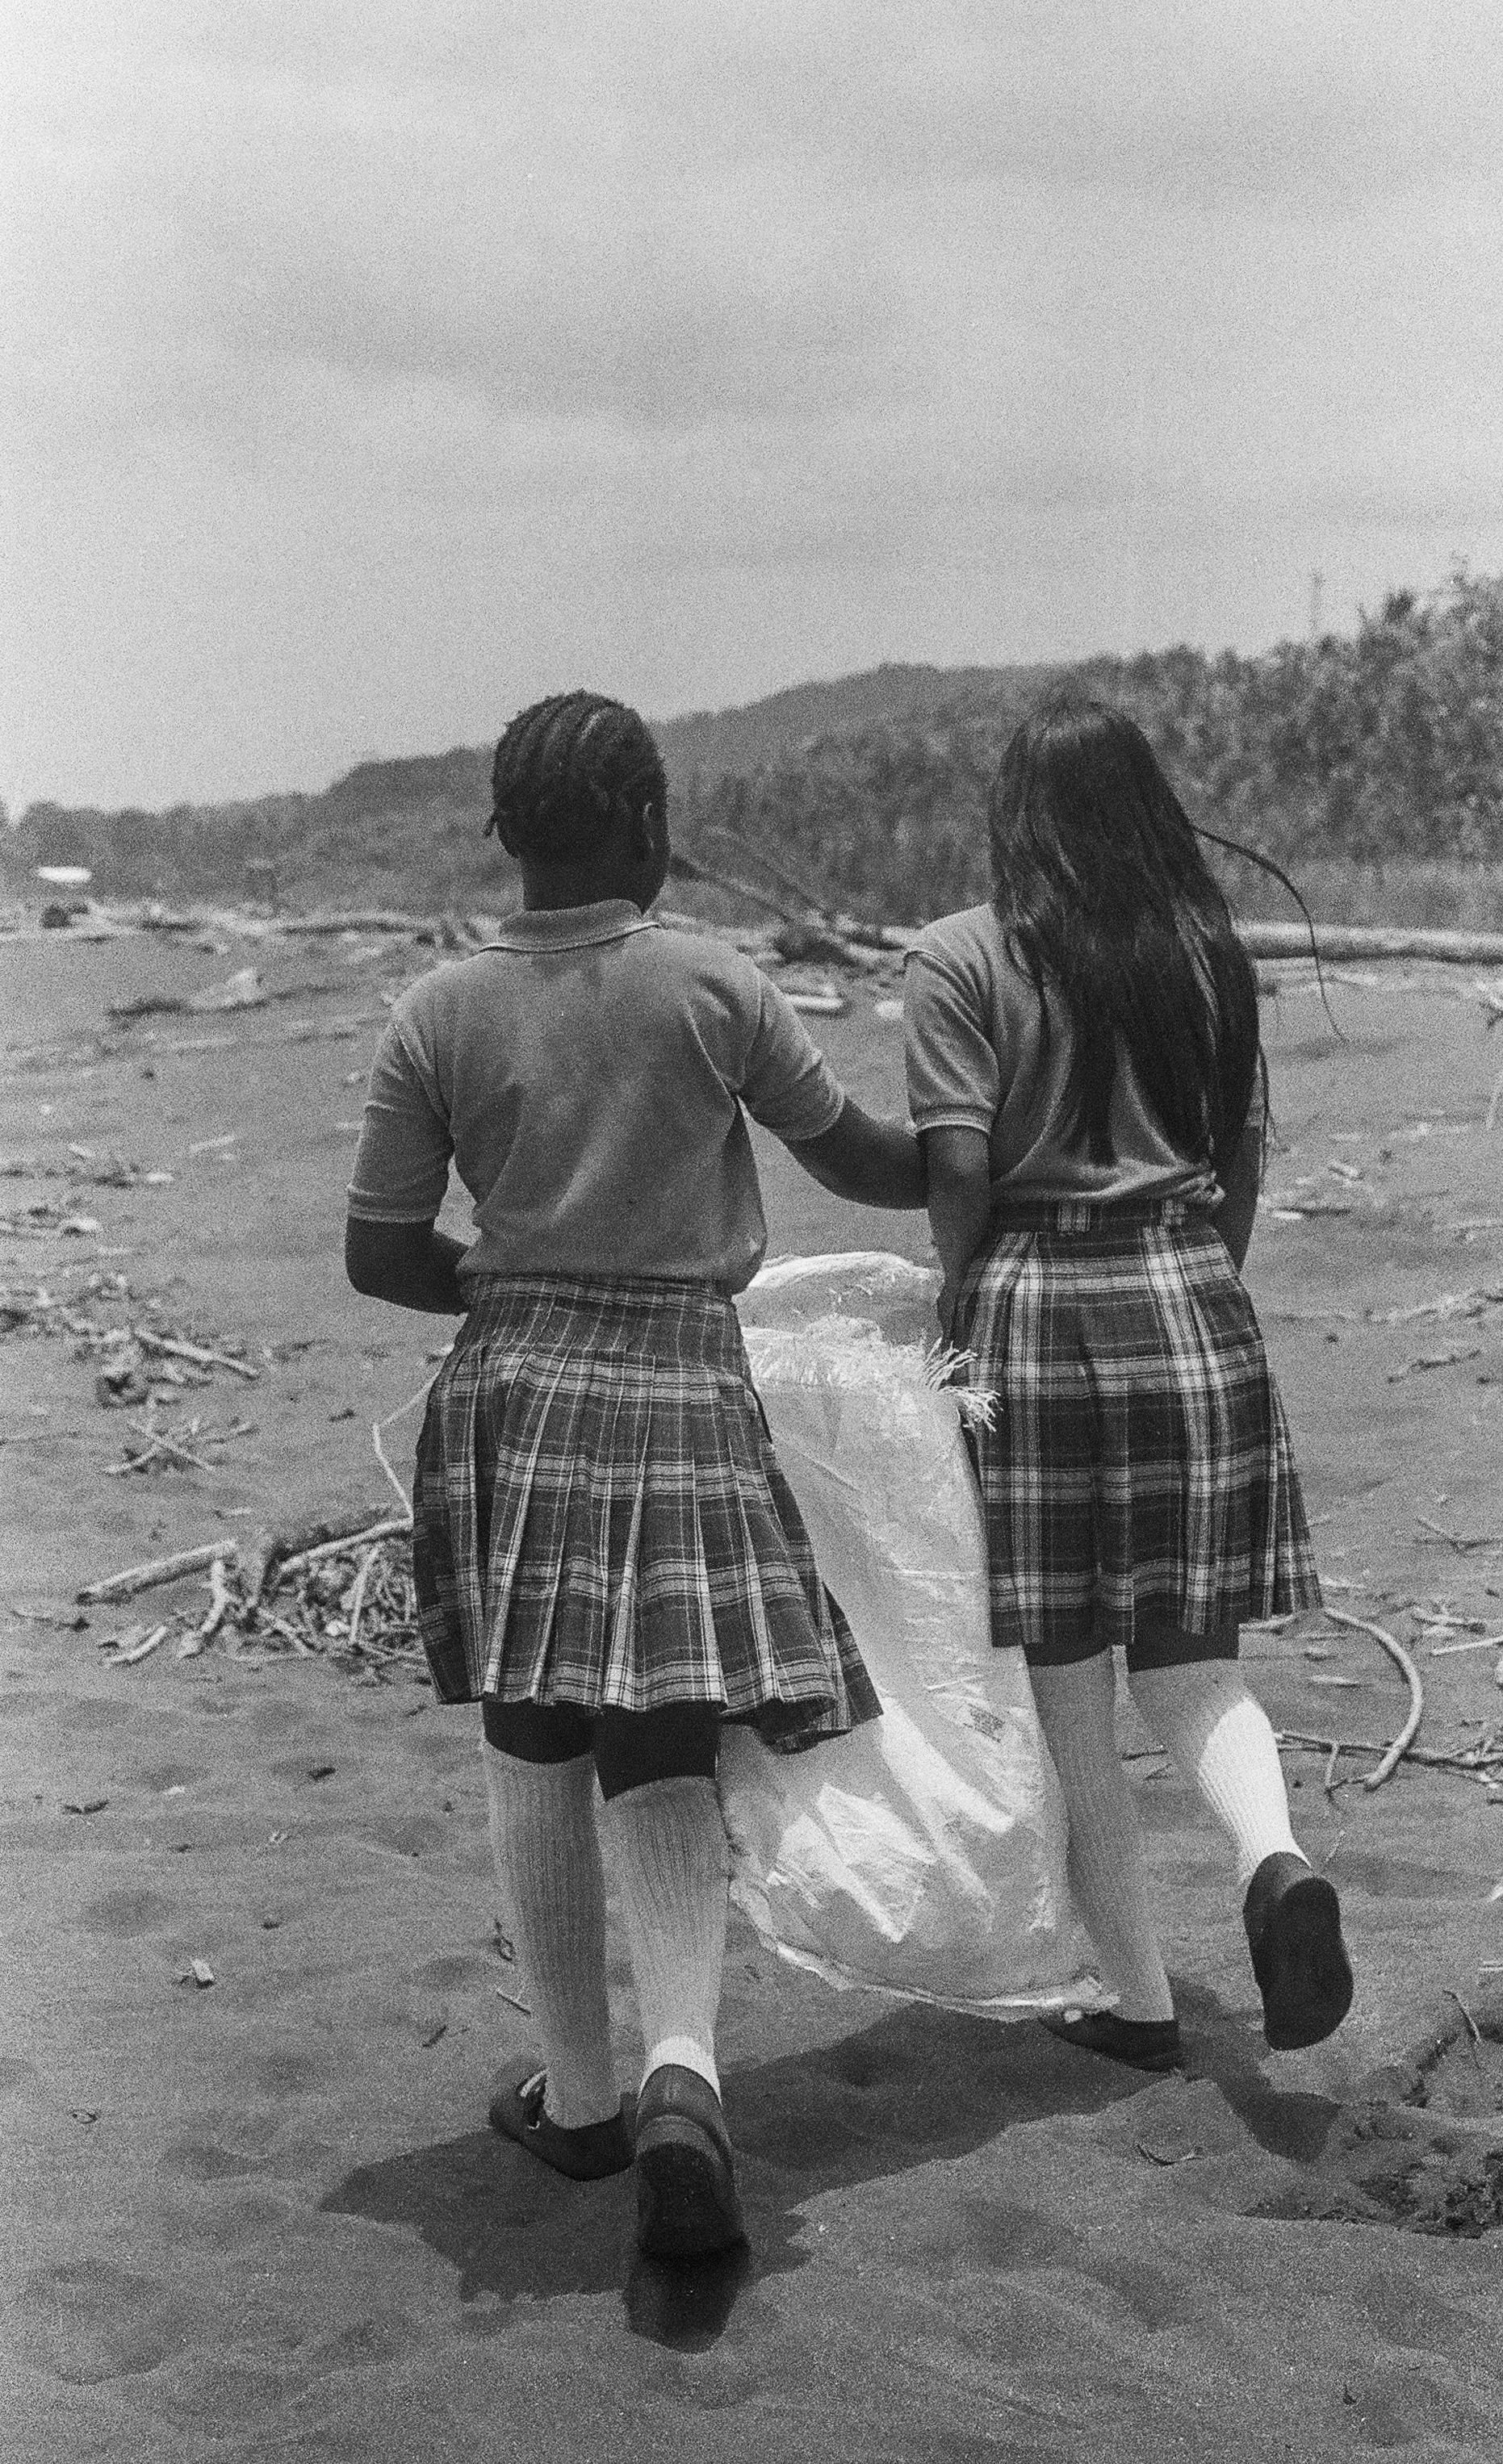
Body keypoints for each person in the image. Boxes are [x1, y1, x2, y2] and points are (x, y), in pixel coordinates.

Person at [345, 690, 922, 2257]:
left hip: (518, 1387)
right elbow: (855, 1153)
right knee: (661, 1739)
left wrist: (516, 1287)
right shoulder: (715, 985)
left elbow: (377, 1249)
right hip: (680, 1385)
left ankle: (584, 2100)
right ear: (654, 825)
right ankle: (683, 2070)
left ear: (510, 836)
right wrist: (970, 1155)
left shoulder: (438, 1011)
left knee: (533, 1731)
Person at [904, 690, 1352, 2072]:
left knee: (1064, 1679)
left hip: (1030, 1303)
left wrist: (955, 1313)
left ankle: (1141, 1999)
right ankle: (1270, 1858)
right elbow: (1244, 1160)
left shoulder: (959, 958)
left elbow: (960, 1170)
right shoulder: (1207, 955)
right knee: (1193, 1655)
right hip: (1188, 1289)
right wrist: (1195, 1274)